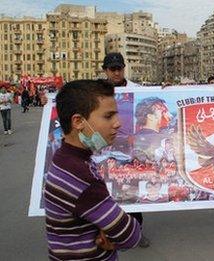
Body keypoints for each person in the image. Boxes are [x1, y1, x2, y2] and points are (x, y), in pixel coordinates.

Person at [45, 80, 141, 260]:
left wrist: (107, 228)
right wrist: (115, 233)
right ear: (78, 121)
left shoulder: (64, 158)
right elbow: (131, 235)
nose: (118, 123)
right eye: (108, 116)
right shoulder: (81, 177)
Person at [102, 52, 152, 247]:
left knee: (131, 189)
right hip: (106, 147)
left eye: (119, 68)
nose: (116, 72)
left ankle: (136, 232)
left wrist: (166, 89)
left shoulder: (137, 89)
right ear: (105, 70)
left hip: (132, 148)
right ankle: (110, 234)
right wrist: (48, 100)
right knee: (108, 192)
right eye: (112, 69)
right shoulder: (97, 92)